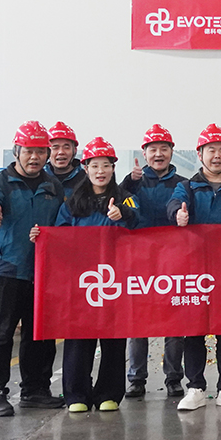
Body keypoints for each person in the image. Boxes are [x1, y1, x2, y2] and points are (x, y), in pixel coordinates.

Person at [0, 121, 67, 416]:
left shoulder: (53, 186)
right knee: (1, 333)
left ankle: (35, 389)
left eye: (40, 151)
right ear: (17, 151)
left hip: (43, 272)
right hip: (7, 269)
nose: (35, 157)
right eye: (28, 151)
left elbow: (63, 223)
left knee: (39, 334)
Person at [167, 124, 221, 411]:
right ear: (200, 154)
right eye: (211, 150)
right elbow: (174, 205)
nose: (217, 156)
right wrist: (178, 216)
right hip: (195, 268)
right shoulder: (187, 187)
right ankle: (195, 387)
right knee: (194, 330)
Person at [46, 137, 138, 412]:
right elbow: (60, 236)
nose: (101, 171)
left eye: (106, 165)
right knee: (78, 336)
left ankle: (109, 393)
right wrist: (42, 236)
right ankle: (76, 394)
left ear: (113, 168)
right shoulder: (73, 202)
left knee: (113, 337)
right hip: (82, 281)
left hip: (115, 281)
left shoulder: (125, 198)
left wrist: (124, 215)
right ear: (85, 168)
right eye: (95, 165)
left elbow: (142, 225)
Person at [121, 124, 188, 399]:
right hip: (140, 260)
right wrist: (129, 183)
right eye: (152, 149)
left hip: (175, 260)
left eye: (163, 149)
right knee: (138, 322)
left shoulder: (183, 183)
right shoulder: (133, 182)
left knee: (175, 322)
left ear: (171, 152)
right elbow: (119, 205)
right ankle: (136, 378)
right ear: (144, 153)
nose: (158, 154)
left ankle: (173, 377)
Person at [45, 122, 87, 196]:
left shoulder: (86, 180)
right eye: (55, 147)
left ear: (75, 150)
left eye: (66, 147)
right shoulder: (39, 178)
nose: (61, 152)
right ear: (47, 151)